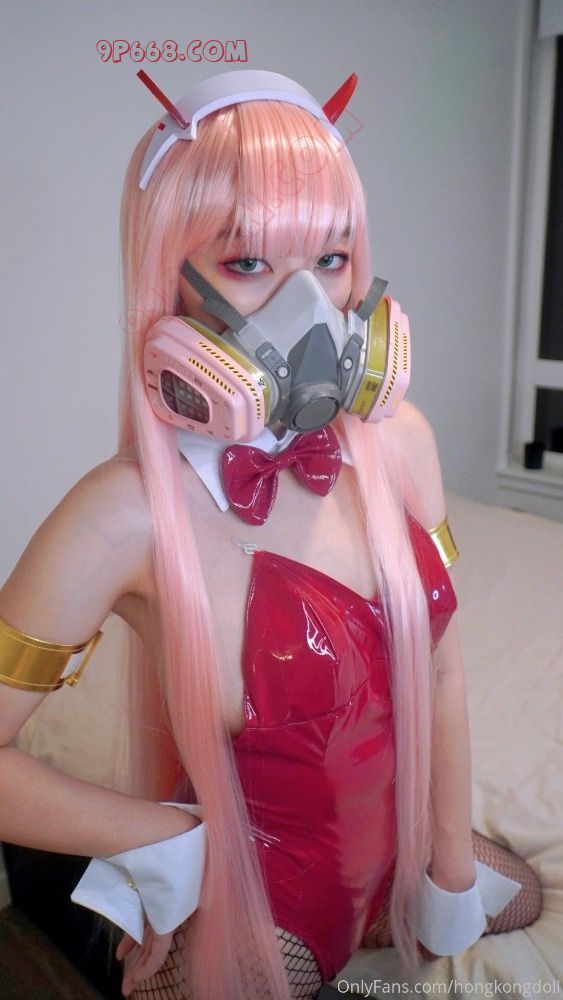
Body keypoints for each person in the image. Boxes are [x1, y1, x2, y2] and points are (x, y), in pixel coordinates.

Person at [0, 69, 542, 1000]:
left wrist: (448, 868)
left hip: (402, 846)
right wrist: (170, 839)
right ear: (167, 277)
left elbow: (442, 670)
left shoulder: (399, 444)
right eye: (248, 263)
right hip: (263, 890)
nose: (312, 309)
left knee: (523, 896)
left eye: (330, 258)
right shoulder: (122, 515)